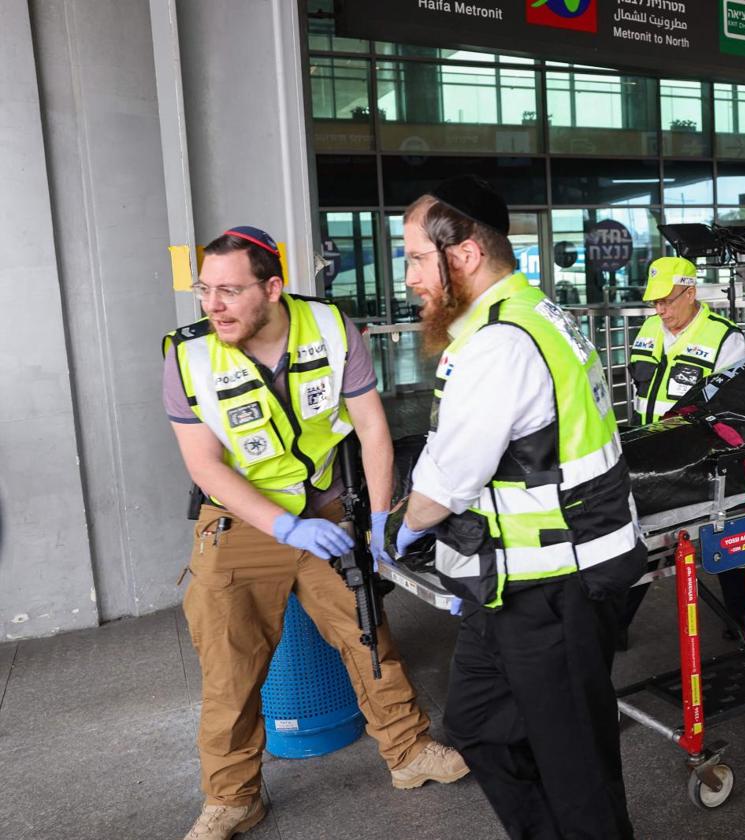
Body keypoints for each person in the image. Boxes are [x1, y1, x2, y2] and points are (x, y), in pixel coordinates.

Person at [163, 227, 467, 840]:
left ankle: (408, 753)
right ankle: (232, 798)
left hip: (327, 515)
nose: (211, 304)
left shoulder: (330, 328)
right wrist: (283, 526)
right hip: (241, 522)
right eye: (205, 290)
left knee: (365, 634)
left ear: (272, 288)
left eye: (229, 290)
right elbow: (205, 465)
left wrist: (380, 520)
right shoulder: (188, 353)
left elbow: (373, 430)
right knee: (230, 669)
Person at [393, 175, 645, 839]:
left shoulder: (500, 342)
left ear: (465, 255)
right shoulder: (526, 314)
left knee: (576, 768)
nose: (410, 276)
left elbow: (446, 484)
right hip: (509, 584)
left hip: (551, 586)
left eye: (417, 257)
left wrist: (395, 527)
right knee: (478, 726)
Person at [623, 256, 745, 643]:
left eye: (667, 300)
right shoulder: (648, 328)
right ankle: (615, 625)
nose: (660, 310)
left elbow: (729, 411)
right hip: (647, 454)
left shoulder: (726, 338)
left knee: (723, 531)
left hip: (698, 460)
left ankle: (740, 615)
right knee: (644, 540)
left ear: (691, 292)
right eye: (654, 302)